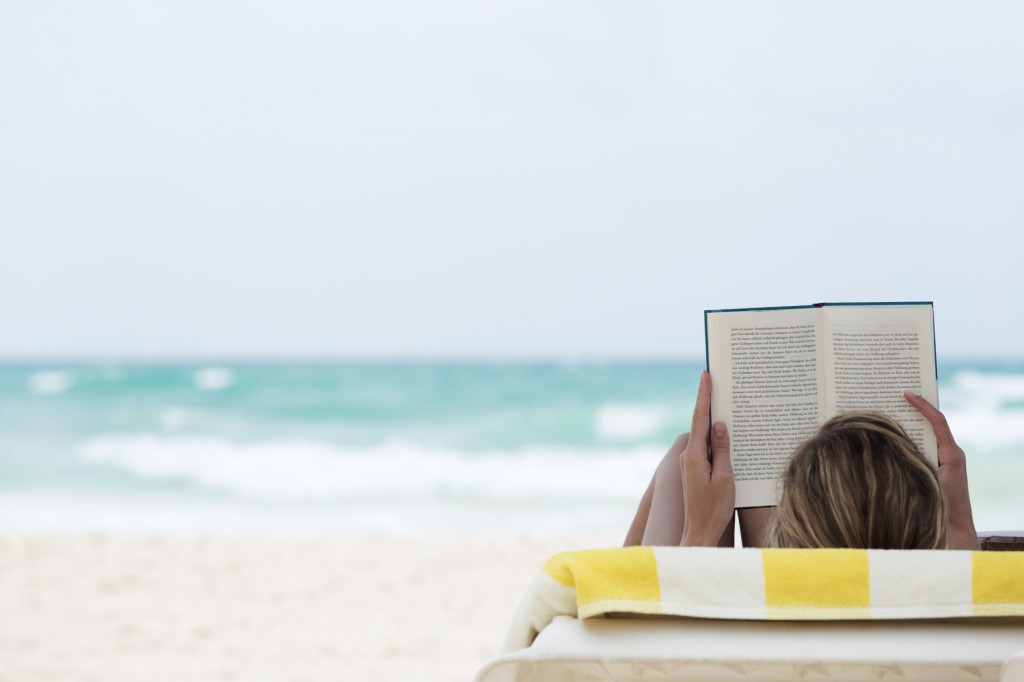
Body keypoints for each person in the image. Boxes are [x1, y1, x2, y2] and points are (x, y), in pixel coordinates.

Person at [624, 371, 979, 551]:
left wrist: (699, 533)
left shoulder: (764, 637)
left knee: (682, 457)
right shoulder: (952, 624)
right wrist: (960, 523)